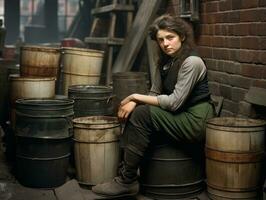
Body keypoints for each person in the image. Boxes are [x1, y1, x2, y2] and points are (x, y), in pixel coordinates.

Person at [92, 14, 215, 198]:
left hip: (195, 119)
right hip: (179, 115)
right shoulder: (164, 62)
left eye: (170, 37)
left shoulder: (192, 62)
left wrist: (134, 96)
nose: (166, 44)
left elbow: (174, 103)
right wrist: (135, 102)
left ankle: (127, 181)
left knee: (141, 114)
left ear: (181, 36)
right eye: (160, 40)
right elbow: (155, 94)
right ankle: (126, 174)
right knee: (137, 111)